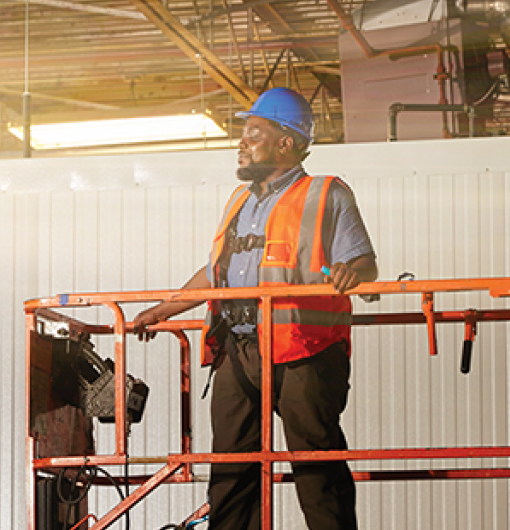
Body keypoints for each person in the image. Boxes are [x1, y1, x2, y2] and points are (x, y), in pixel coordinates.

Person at [133, 87, 377, 530]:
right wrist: (162, 310)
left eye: (253, 134)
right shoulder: (239, 203)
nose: (242, 144)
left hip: (304, 350)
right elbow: (215, 272)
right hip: (238, 351)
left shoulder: (326, 193)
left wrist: (352, 271)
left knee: (316, 465)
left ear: (286, 142)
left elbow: (364, 261)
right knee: (231, 468)